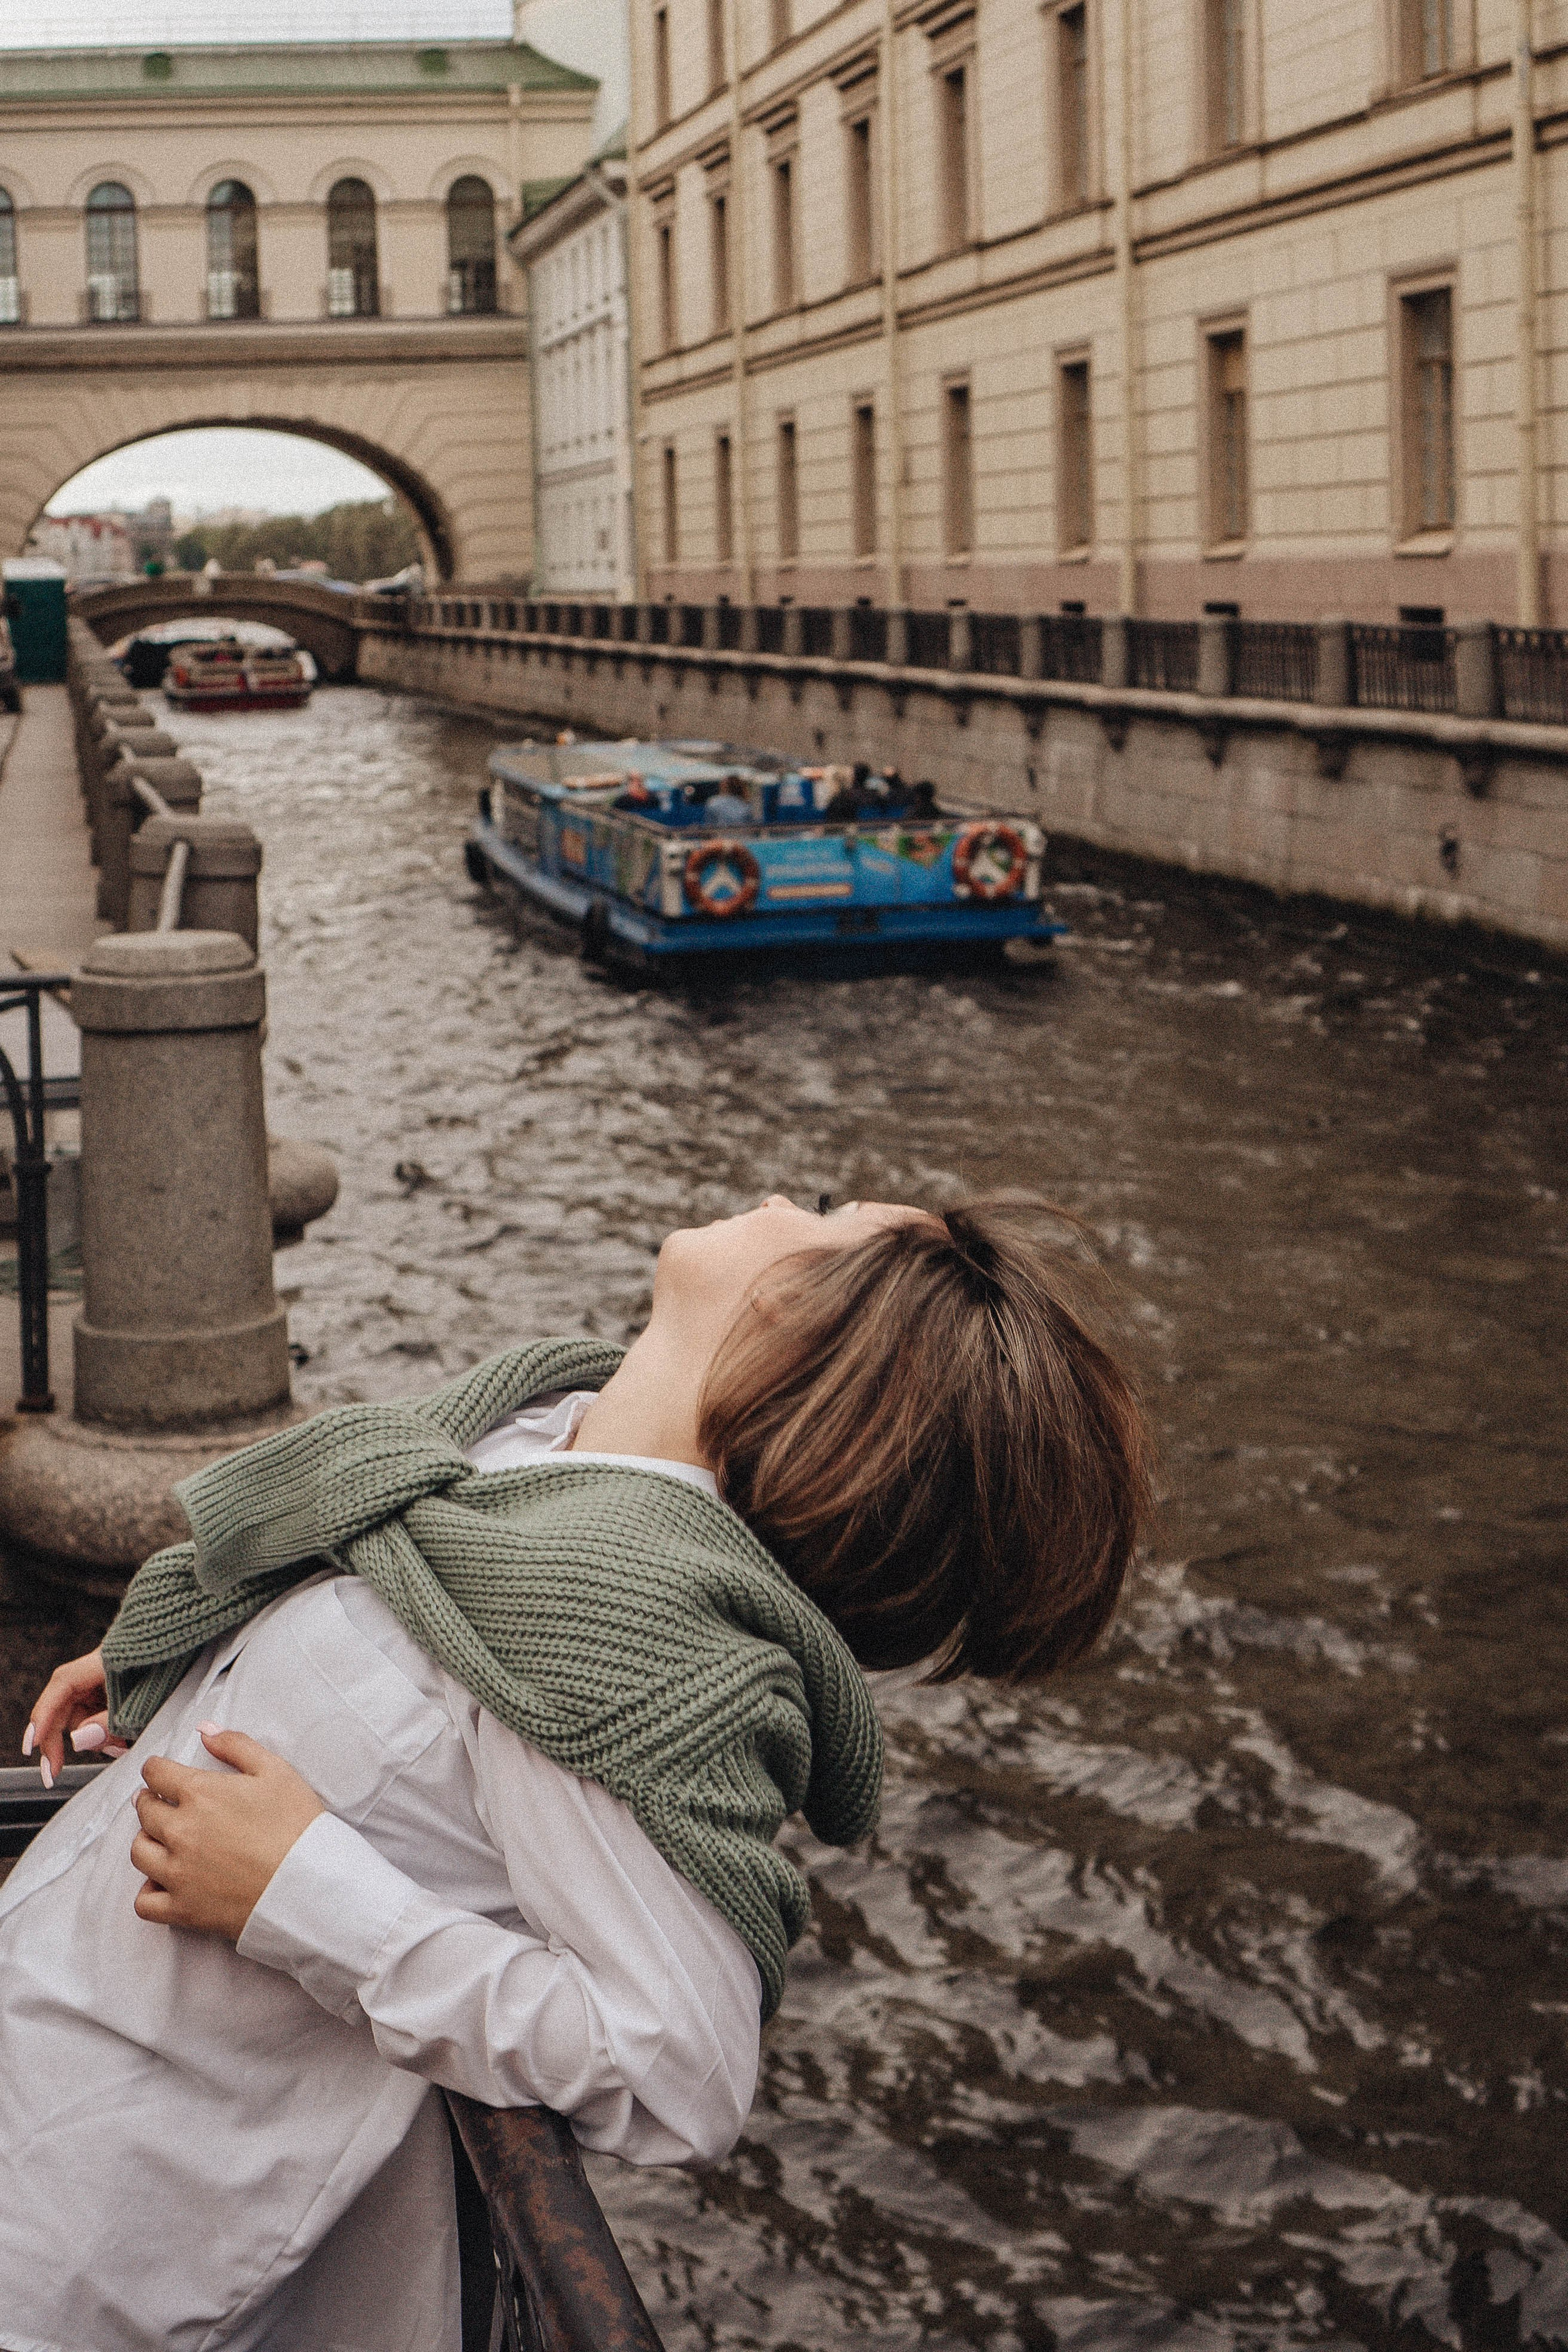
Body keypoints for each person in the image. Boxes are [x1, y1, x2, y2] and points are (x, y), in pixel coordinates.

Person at [0, 1195, 1150, 2352]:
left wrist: (304, 1893)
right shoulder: (538, 1433)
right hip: (50, 2045)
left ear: (812, 1328)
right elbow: (390, 1570)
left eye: (824, 1215)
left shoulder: (618, 1641)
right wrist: (201, 1647)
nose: (779, 1201)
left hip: (115, 2216)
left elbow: (678, 2073)